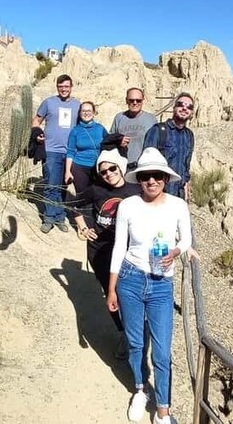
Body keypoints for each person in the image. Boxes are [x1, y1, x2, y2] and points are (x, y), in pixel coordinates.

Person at [107, 147, 191, 424]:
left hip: (161, 283)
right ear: (139, 179)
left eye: (157, 176)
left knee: (162, 350)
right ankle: (141, 389)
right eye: (145, 176)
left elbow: (186, 240)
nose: (151, 181)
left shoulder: (178, 205)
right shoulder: (128, 206)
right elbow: (120, 247)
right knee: (134, 342)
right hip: (130, 279)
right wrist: (111, 288)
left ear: (165, 178)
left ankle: (163, 410)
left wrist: (176, 252)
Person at [71, 148, 141, 358]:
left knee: (128, 293)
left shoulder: (135, 190)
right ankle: (123, 334)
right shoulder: (96, 190)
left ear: (120, 167)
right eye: (103, 172)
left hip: (127, 251)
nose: (109, 174)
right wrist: (82, 227)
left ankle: (135, 333)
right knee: (111, 294)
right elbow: (72, 204)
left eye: (112, 169)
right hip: (100, 251)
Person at [32, 74, 80, 233]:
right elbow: (36, 120)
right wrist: (37, 133)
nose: (64, 89)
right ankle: (49, 218)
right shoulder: (49, 102)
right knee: (50, 184)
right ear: (57, 87)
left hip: (70, 152)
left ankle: (59, 217)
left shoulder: (77, 105)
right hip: (51, 150)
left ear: (71, 87)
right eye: (61, 86)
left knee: (62, 187)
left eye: (67, 86)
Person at [144, 92, 195, 200]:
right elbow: (146, 166)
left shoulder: (189, 135)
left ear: (191, 112)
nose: (184, 108)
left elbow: (186, 169)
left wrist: (185, 197)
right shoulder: (158, 131)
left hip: (179, 196)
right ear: (174, 107)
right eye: (181, 104)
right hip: (159, 195)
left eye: (189, 107)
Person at [65, 101, 108, 226]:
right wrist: (68, 171)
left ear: (94, 113)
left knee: (98, 194)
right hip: (79, 166)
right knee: (82, 196)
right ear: (79, 113)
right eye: (83, 111)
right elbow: (70, 152)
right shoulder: (75, 131)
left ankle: (95, 223)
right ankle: (82, 226)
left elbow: (109, 143)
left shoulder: (100, 129)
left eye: (89, 110)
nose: (86, 113)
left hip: (97, 167)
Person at [110, 87, 158, 169]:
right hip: (123, 167)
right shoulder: (119, 118)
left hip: (144, 167)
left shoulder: (151, 119)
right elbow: (110, 140)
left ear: (143, 100)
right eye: (131, 100)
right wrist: (118, 142)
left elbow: (157, 144)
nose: (135, 103)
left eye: (138, 100)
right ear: (126, 100)